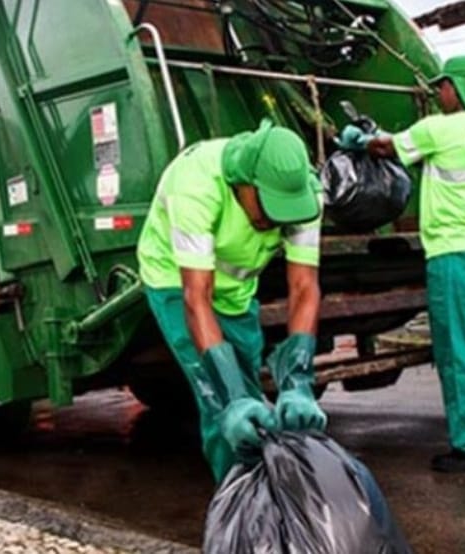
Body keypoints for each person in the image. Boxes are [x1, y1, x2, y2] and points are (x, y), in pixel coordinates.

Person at [338, 55, 465, 472]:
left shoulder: (442, 128)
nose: (437, 92)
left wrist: (359, 139)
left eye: (442, 86)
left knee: (461, 353)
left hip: (454, 255)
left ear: (457, 88)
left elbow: (388, 146)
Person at [137, 119, 326, 482]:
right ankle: (243, 506)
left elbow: (304, 286)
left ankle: (263, 488)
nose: (274, 221)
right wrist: (232, 395)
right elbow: (197, 298)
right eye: (268, 207)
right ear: (244, 183)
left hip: (237, 289)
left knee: (249, 391)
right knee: (223, 402)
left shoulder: (307, 197)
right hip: (177, 282)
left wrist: (299, 379)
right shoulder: (195, 185)